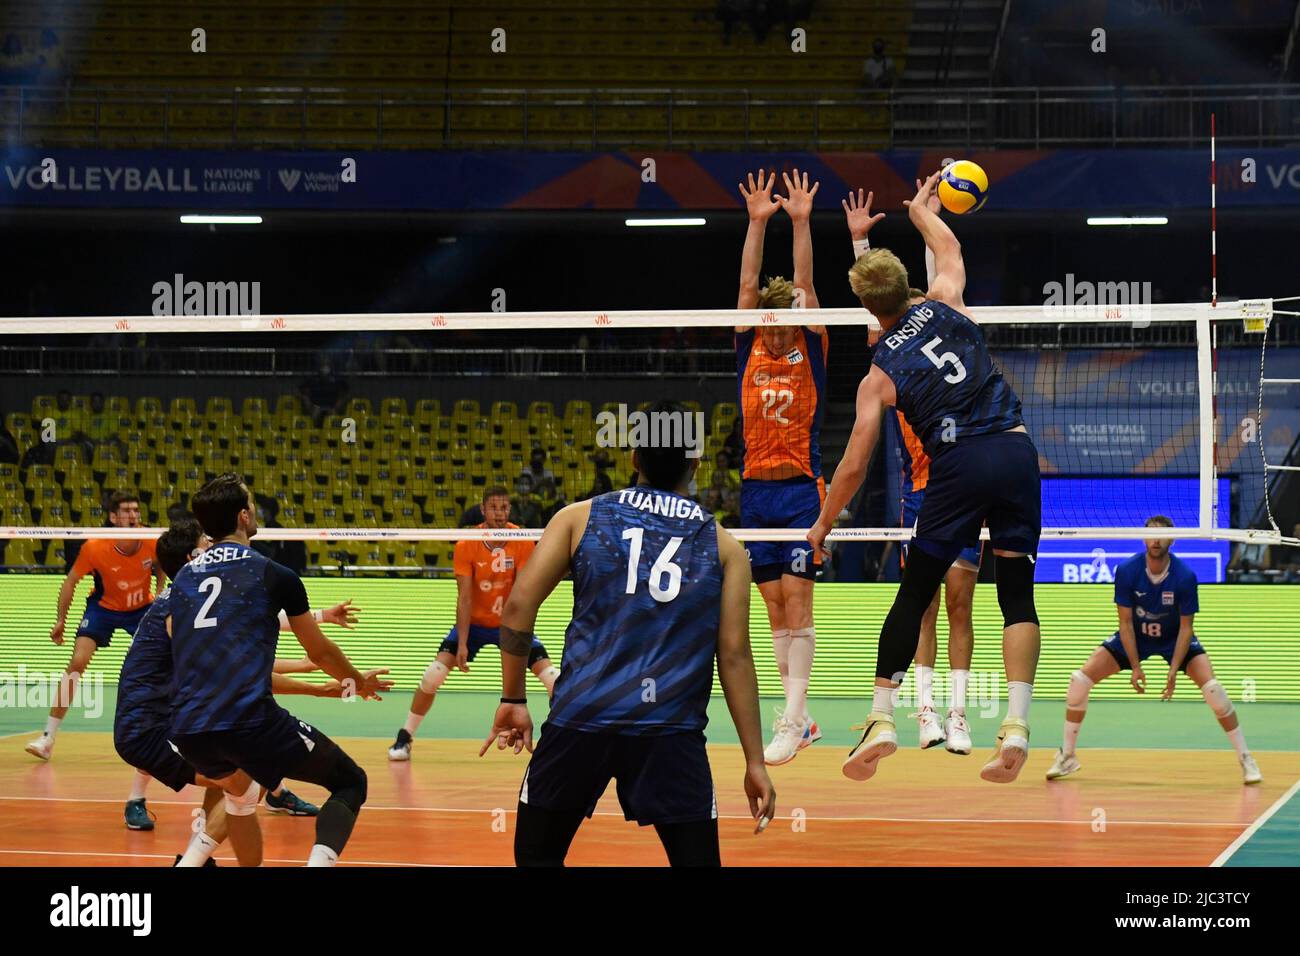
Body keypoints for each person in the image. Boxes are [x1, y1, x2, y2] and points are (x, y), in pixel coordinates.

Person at [808, 170, 1042, 785]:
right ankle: (1016, 727)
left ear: (867, 308)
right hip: (1015, 453)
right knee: (1015, 593)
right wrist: (918, 208)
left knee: (916, 595)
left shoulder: (878, 373)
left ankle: (883, 717)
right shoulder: (947, 302)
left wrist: (823, 524)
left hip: (957, 466)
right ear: (909, 285)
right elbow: (950, 248)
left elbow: (854, 463)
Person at [480, 401, 777, 865]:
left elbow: (518, 607)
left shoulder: (578, 518)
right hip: (669, 734)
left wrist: (514, 699)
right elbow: (735, 656)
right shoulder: (724, 546)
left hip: (581, 720)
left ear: (634, 458)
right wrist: (754, 761)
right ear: (695, 462)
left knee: (536, 859)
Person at [114, 519, 373, 865]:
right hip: (152, 729)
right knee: (250, 776)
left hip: (165, 722)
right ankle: (194, 855)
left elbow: (250, 622)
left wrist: (320, 623)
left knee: (233, 769)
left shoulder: (187, 600)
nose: (213, 544)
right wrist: (315, 687)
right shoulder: (179, 609)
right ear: (194, 555)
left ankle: (198, 856)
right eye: (206, 540)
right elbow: (234, 669)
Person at [168, 474, 390, 867]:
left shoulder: (185, 578)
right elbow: (319, 650)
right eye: (251, 505)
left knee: (241, 795)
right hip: (248, 722)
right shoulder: (273, 573)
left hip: (188, 729)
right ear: (243, 515)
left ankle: (190, 863)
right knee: (350, 781)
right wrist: (356, 681)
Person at [844, 185, 978, 755]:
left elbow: (932, 274)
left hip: (962, 485)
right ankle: (924, 711)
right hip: (920, 491)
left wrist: (932, 216)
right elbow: (872, 299)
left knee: (960, 602)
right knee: (921, 603)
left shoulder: (942, 324)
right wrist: (860, 241)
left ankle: (959, 712)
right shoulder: (890, 354)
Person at [1046, 517, 1262, 785]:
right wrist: (1135, 667)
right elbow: (1124, 623)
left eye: (1162, 535)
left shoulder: (1185, 576)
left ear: (1172, 540)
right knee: (1079, 681)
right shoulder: (1127, 570)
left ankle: (1246, 758)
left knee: (1213, 689)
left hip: (1174, 638)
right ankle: (1067, 756)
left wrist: (1173, 671)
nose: (1156, 540)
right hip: (1136, 636)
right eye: (1151, 535)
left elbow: (1186, 629)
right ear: (1143, 538)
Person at [735, 167, 829, 765]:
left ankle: (793, 719)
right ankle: (801, 716)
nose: (778, 330)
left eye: (786, 321)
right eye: (771, 324)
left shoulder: (810, 348)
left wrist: (800, 222)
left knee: (798, 600)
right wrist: (755, 223)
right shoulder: (748, 343)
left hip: (800, 492)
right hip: (754, 495)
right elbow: (747, 288)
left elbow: (805, 283)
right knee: (772, 607)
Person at [26, 490, 166, 830]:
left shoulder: (152, 540)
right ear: (113, 517)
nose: (133, 515)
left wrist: (160, 599)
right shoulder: (94, 546)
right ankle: (47, 737)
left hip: (141, 610)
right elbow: (71, 581)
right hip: (102, 609)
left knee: (169, 662)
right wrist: (60, 620)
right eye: (126, 511)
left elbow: (162, 571)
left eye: (136, 509)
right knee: (77, 663)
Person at [389, 486, 557, 760]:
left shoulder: (523, 539)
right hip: (475, 625)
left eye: (504, 508)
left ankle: (559, 739)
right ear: (483, 510)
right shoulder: (467, 542)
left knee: (553, 679)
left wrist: (518, 635)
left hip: (510, 624)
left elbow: (524, 592)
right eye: (494, 508)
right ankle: (404, 737)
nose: (500, 513)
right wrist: (463, 643)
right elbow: (465, 598)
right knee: (432, 675)